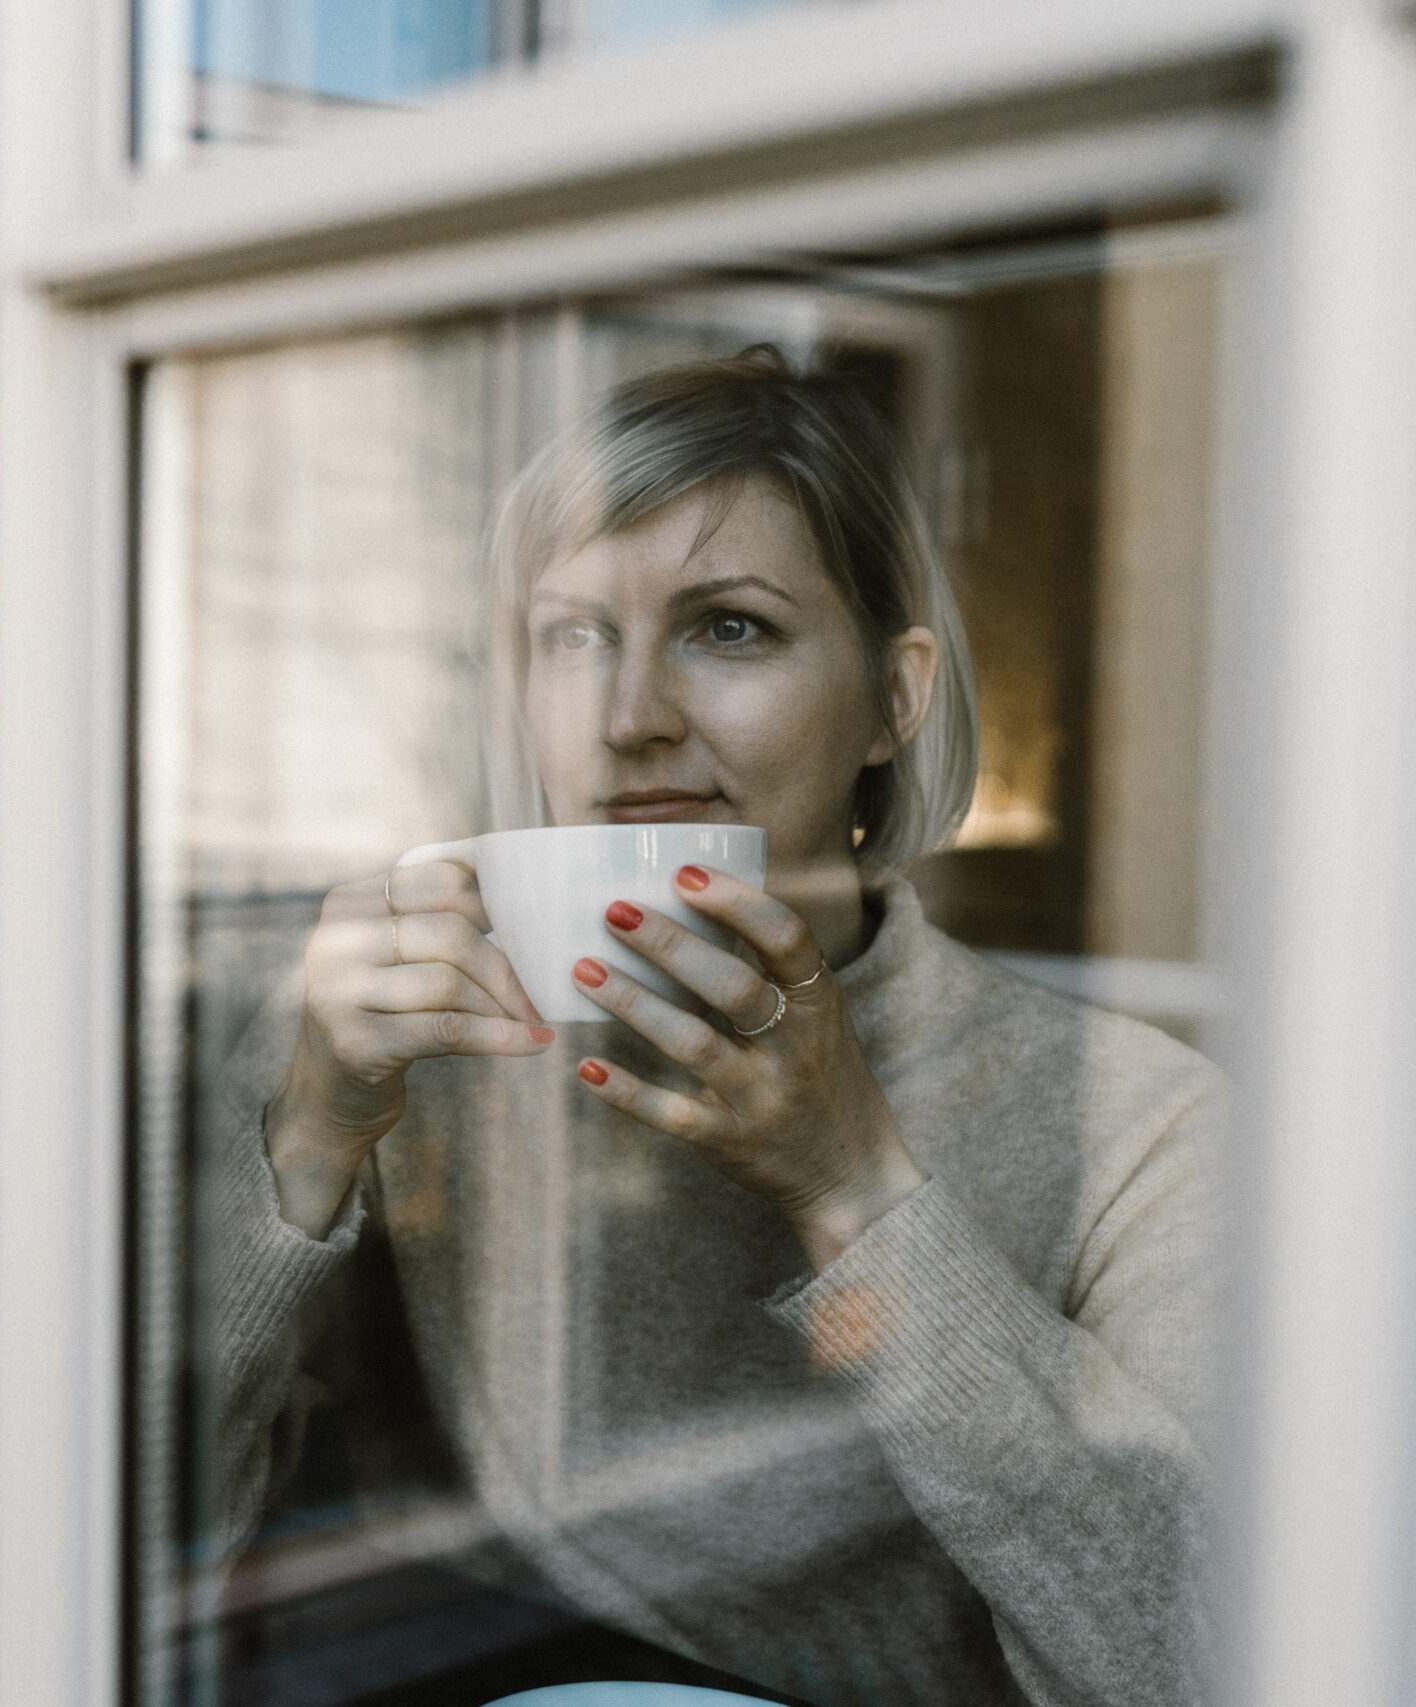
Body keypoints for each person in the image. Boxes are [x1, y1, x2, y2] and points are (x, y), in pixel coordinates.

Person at [211, 347, 1222, 1706]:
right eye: (573, 637)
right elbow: (117, 1548)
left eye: (729, 626)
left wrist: (856, 1185)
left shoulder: (1144, 1130)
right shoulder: (399, 1051)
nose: (631, 719)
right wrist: (308, 1140)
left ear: (895, 696)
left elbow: (1205, 1667)